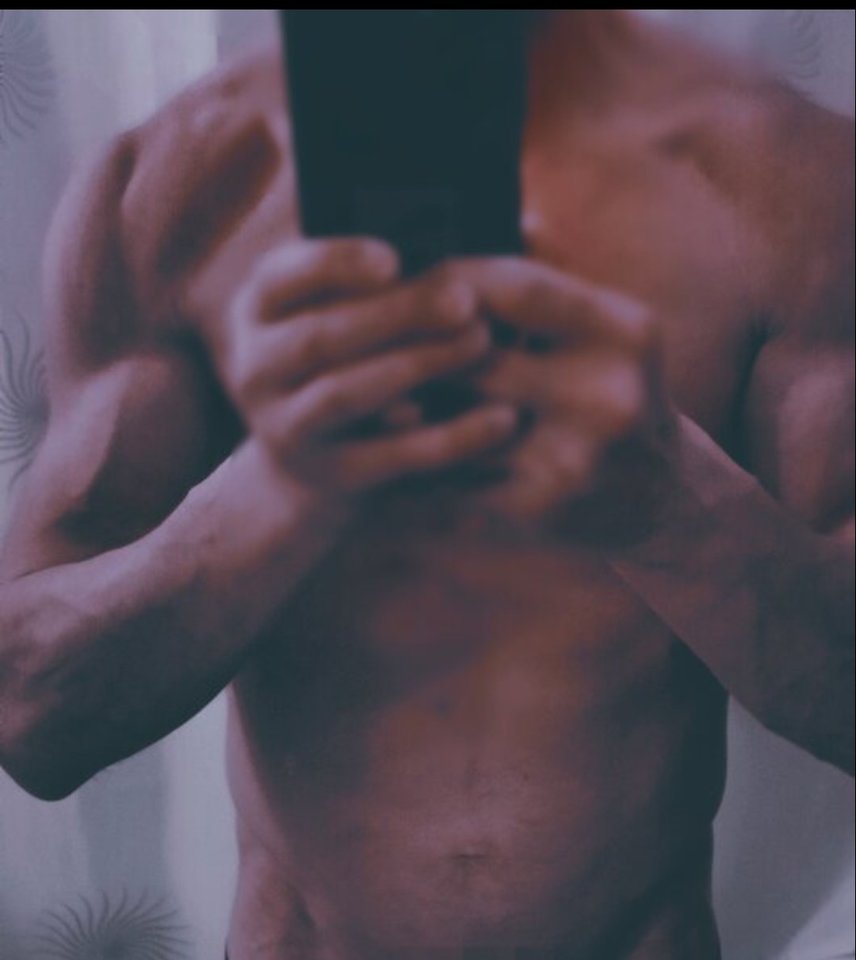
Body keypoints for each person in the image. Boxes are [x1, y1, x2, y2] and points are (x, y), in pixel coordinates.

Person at [0, 10, 852, 960]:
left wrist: (662, 502)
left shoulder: (788, 183)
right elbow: (31, 717)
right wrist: (276, 494)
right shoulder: (168, 194)